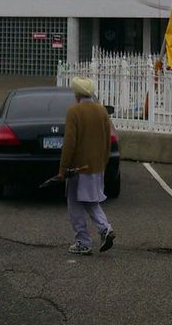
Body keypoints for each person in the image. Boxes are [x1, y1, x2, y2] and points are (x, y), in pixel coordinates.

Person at [57, 76, 116, 255]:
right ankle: (105, 229)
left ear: (77, 95)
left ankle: (84, 240)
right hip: (97, 166)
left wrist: (62, 169)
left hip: (77, 168)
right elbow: (108, 140)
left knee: (75, 204)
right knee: (91, 200)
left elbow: (69, 143)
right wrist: (103, 162)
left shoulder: (74, 112)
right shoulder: (102, 111)